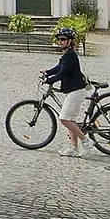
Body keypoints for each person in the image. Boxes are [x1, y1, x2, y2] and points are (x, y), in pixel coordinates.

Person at [41, 26, 90, 156]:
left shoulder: (70, 55)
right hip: (73, 90)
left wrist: (49, 80)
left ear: (70, 41)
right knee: (71, 120)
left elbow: (63, 73)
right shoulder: (67, 54)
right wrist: (47, 72)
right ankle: (74, 148)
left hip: (76, 91)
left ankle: (86, 141)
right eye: (58, 39)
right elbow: (59, 67)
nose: (60, 42)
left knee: (64, 119)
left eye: (63, 39)